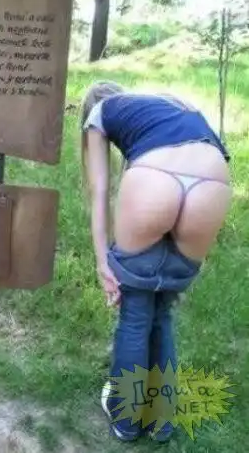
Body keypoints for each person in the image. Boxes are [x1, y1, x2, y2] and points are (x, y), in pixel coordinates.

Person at [78, 81, 233, 442]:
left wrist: (102, 262)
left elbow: (100, 191)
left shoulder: (100, 113)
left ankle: (127, 420)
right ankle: (162, 422)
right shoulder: (168, 103)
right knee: (162, 312)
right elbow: (217, 155)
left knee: (136, 314)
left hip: (155, 180)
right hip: (212, 183)